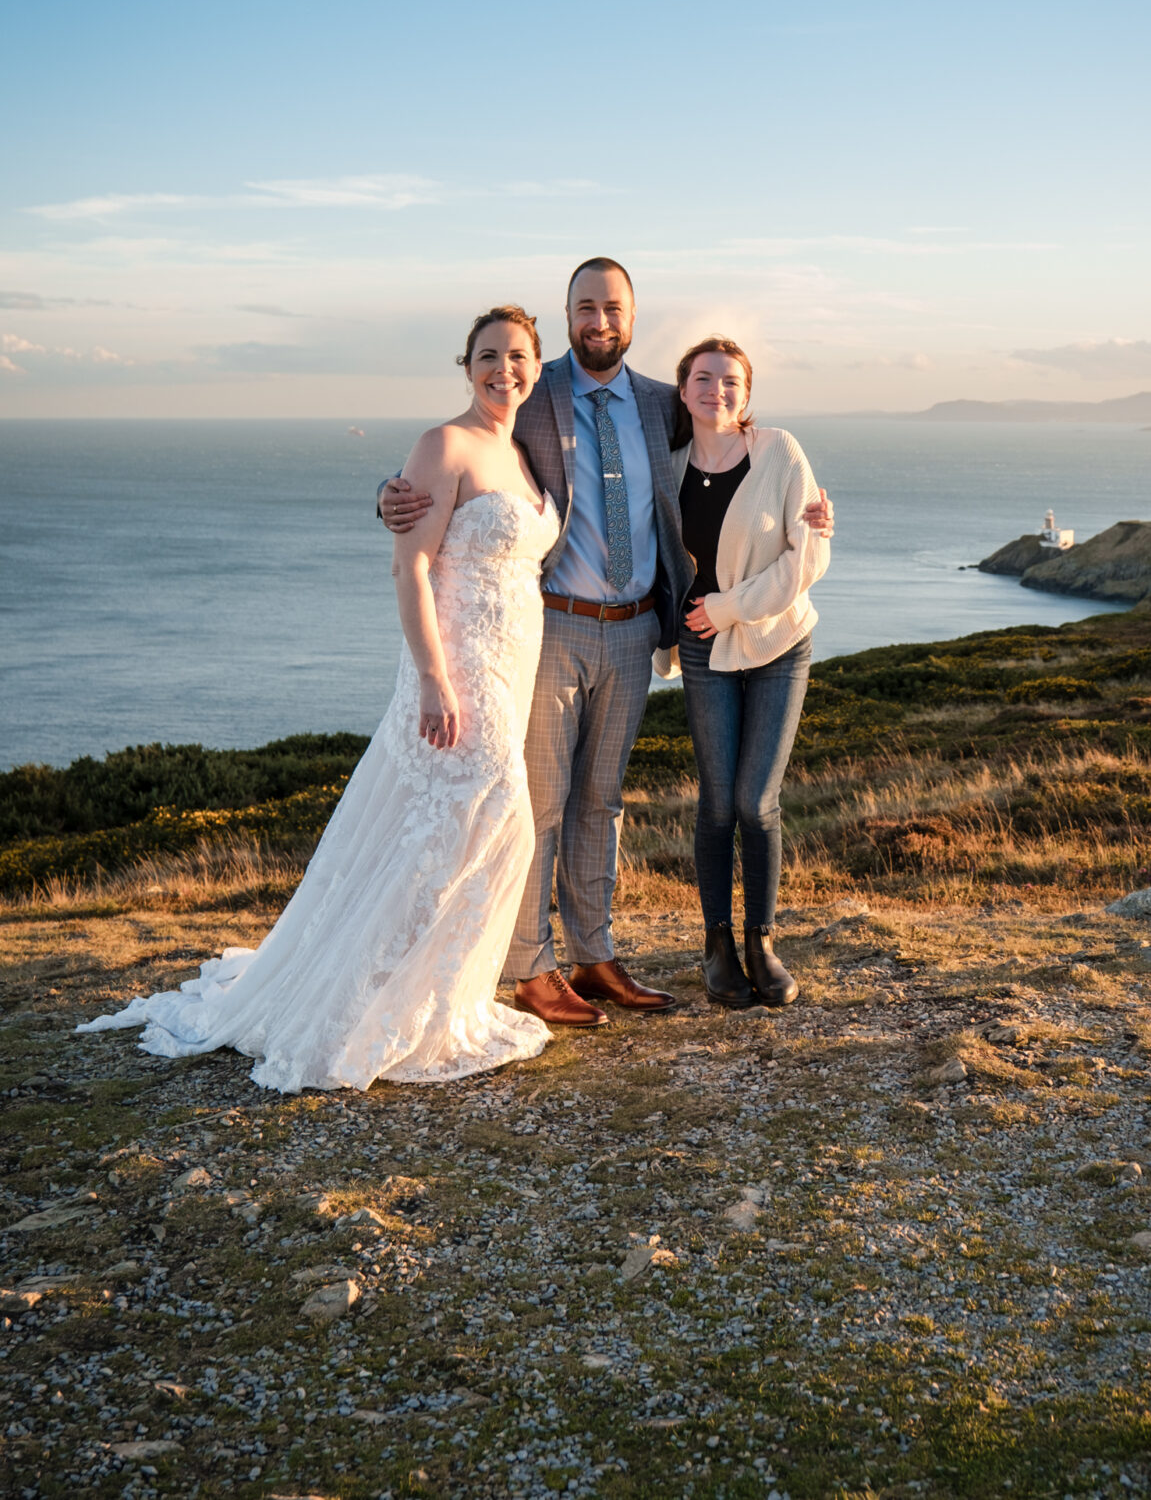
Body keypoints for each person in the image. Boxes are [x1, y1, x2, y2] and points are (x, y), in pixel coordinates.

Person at [77, 308, 559, 1091]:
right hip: (461, 669)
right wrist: (433, 678)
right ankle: (377, 1008)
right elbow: (410, 570)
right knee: (490, 817)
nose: (504, 367)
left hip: (516, 662)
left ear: (537, 366)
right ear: (465, 365)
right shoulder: (444, 444)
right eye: (488, 355)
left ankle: (442, 1000)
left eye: (517, 355)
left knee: (456, 832)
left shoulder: (526, 452)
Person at [381, 259, 834, 1027]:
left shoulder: (664, 404)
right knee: (542, 802)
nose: (598, 321)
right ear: (566, 316)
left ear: (631, 316)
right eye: (584, 308)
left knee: (603, 803)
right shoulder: (532, 388)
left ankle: (594, 954)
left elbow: (736, 443)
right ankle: (532, 964)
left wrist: (813, 509)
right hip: (551, 626)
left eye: (612, 308)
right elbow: (461, 449)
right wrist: (391, 495)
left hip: (636, 635)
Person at [657, 337, 830, 1009]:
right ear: (683, 391)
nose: (717, 390)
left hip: (778, 644)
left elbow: (806, 556)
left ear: (746, 394)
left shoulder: (779, 452)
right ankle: (717, 945)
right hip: (702, 652)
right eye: (704, 378)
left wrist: (727, 608)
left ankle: (761, 941)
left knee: (756, 802)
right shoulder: (666, 468)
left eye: (731, 381)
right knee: (717, 800)